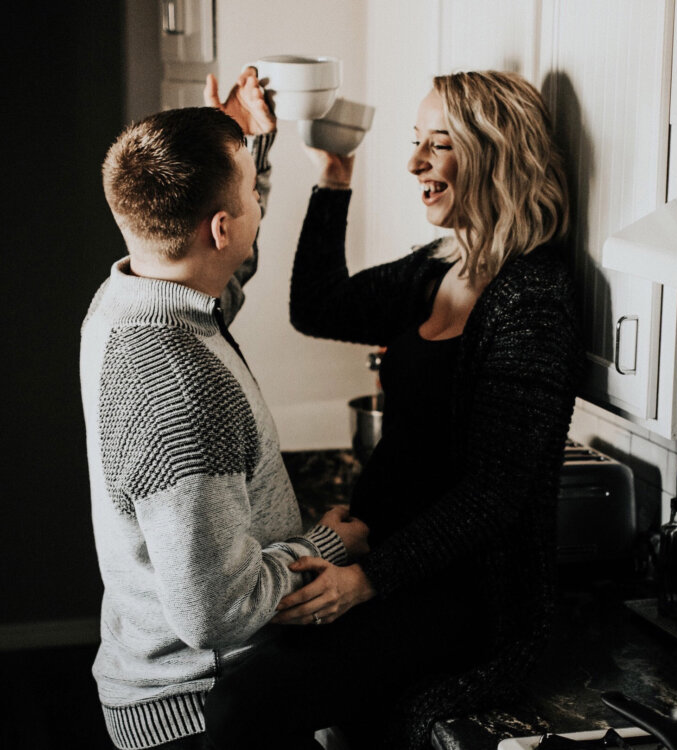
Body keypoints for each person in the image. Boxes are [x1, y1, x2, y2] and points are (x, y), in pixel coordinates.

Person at [203, 71, 584, 750]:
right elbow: (317, 306)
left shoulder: (533, 296)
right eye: (416, 143)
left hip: (462, 595)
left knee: (246, 700)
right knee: (244, 680)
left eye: (439, 145)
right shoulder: (440, 267)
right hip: (382, 565)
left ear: (494, 153)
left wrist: (368, 581)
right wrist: (334, 178)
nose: (415, 164)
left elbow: (495, 495)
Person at [79, 68, 369, 750]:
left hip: (174, 690)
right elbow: (218, 609)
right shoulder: (182, 388)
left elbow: (222, 275)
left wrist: (244, 147)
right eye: (251, 198)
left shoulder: (126, 301)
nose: (258, 210)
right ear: (218, 226)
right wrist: (327, 543)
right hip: (206, 714)